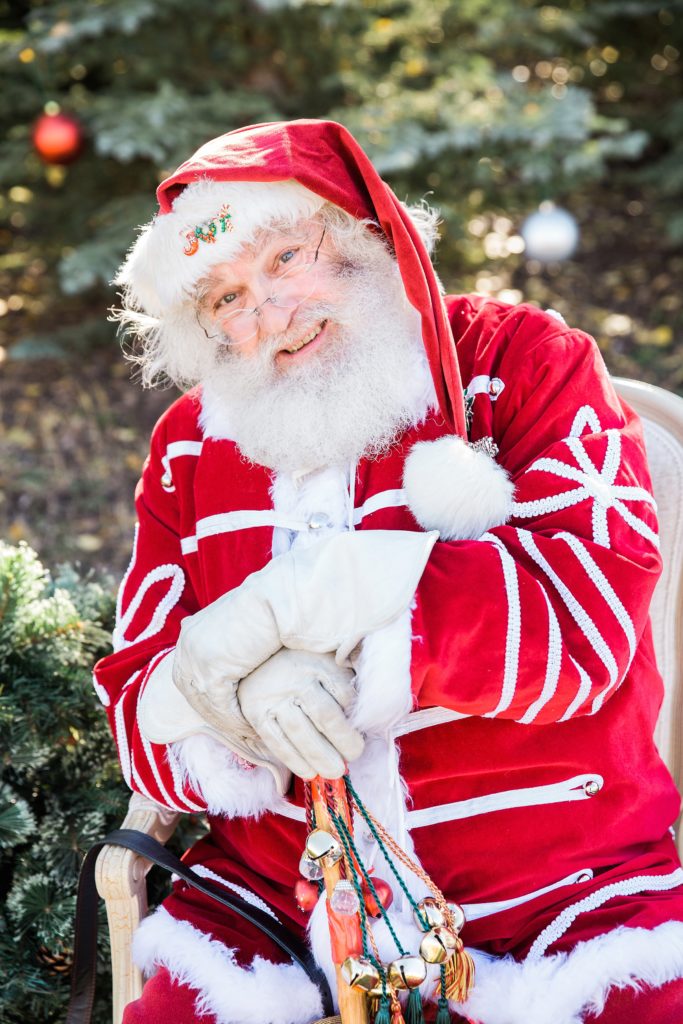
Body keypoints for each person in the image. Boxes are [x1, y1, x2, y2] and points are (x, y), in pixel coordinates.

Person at [94, 119, 683, 1024]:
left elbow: (585, 632)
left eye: (287, 257)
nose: (270, 316)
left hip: (563, 896)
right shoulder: (189, 445)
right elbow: (136, 698)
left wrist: (329, 594)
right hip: (280, 911)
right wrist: (230, 700)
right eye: (224, 300)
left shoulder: (521, 364)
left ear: (368, 234)